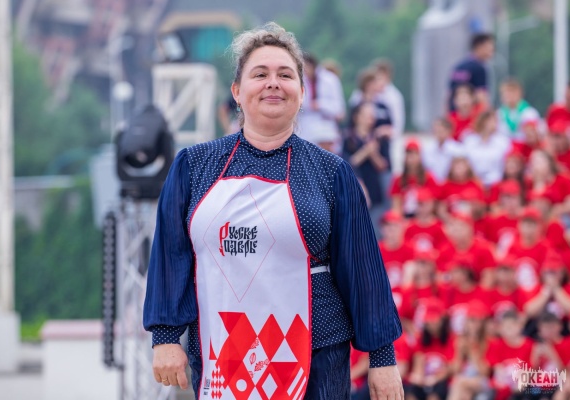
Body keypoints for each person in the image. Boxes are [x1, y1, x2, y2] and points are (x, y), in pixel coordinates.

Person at [143, 22, 403, 399]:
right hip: (222, 354)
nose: (273, 83)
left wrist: (382, 357)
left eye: (285, 75)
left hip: (315, 361)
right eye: (260, 74)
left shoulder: (331, 173)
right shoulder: (193, 166)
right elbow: (171, 255)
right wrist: (165, 336)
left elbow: (363, 270)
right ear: (236, 91)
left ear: (301, 92)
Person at [343, 102, 391, 237]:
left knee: (375, 232)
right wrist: (366, 151)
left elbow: (383, 166)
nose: (371, 118)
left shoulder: (379, 138)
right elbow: (347, 164)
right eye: (367, 114)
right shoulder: (348, 139)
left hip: (375, 190)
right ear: (357, 117)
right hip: (353, 191)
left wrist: (373, 153)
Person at [297, 52, 346, 150]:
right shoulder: (299, 80)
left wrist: (320, 105)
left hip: (326, 127)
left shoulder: (330, 79)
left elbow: (339, 109)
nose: (305, 71)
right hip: (305, 127)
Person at [390, 139, 438, 218]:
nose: (412, 157)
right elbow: (396, 205)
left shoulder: (429, 177)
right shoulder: (398, 179)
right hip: (405, 216)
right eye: (409, 153)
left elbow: (433, 202)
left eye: (415, 153)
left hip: (424, 217)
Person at [463, 110, 512, 188]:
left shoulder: (503, 142)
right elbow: (465, 161)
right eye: (488, 121)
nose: (491, 124)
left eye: (493, 121)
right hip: (473, 183)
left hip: (496, 183)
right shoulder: (469, 140)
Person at [448, 33, 495, 111]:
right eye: (489, 47)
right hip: (472, 114)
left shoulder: (458, 67)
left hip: (455, 114)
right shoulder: (479, 68)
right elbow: (481, 96)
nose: (492, 50)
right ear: (479, 46)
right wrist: (489, 113)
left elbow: (448, 96)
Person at [422, 117, 464, 183]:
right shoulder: (427, 149)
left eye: (441, 130)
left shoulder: (457, 150)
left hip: (451, 184)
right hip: (432, 184)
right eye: (436, 130)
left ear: (448, 131)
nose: (439, 133)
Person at [372, 59, 405, 139]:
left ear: (387, 76)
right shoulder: (367, 93)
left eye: (379, 77)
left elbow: (398, 125)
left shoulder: (394, 97)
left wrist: (386, 131)